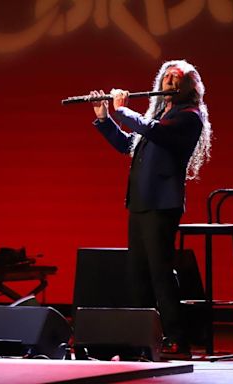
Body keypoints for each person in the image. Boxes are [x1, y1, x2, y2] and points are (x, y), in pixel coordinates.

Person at [90, 59, 212, 356]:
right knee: (138, 273)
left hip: (162, 203)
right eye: (167, 75)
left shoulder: (189, 116)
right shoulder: (161, 114)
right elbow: (127, 143)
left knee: (160, 272)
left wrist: (123, 111)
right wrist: (106, 118)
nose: (170, 80)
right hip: (141, 201)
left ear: (188, 86)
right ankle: (141, 336)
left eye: (177, 77)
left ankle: (176, 337)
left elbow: (154, 131)